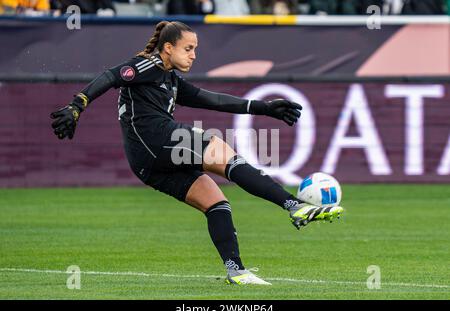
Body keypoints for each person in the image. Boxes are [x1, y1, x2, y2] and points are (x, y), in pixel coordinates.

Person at [50, 21, 344, 285]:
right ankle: (294, 205)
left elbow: (211, 100)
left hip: (145, 164)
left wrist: (262, 107)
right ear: (168, 47)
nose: (193, 55)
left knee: (216, 202)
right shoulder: (149, 65)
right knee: (225, 154)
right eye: (188, 48)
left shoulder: (170, 79)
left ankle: (236, 271)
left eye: (195, 49)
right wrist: (78, 104)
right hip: (157, 140)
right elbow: (112, 75)